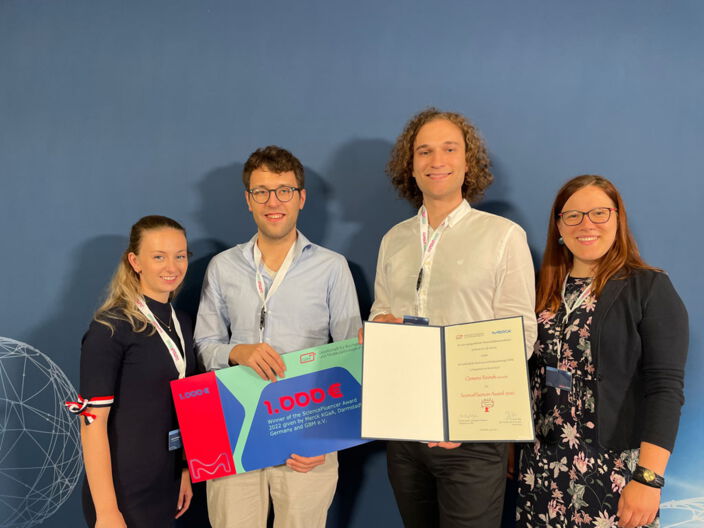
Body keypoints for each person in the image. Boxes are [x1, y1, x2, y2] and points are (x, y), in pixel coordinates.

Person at [368, 108, 537, 528]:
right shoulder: (394, 240)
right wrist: (379, 328)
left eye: (449, 149)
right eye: (424, 151)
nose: (436, 160)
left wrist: (466, 417)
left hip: (474, 435)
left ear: (468, 162)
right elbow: (379, 312)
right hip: (405, 433)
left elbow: (520, 335)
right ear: (411, 165)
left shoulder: (503, 236)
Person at [194, 145, 361, 528]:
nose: (274, 201)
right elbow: (204, 347)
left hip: (305, 432)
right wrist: (237, 352)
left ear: (301, 198)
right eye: (262, 191)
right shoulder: (222, 267)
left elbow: (352, 358)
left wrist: (326, 439)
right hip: (233, 427)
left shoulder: (332, 268)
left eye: (284, 190)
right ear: (248, 200)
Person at [515, 175, 688, 528]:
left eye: (599, 213)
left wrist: (648, 480)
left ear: (617, 219)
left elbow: (665, 389)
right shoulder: (536, 287)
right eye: (573, 216)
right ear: (559, 226)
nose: (586, 224)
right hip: (541, 466)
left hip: (614, 471)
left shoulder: (649, 287)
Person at [66, 215, 195, 527]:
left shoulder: (182, 322)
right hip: (123, 492)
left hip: (165, 483)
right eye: (159, 257)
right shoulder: (110, 328)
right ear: (135, 261)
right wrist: (107, 511)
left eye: (180, 256)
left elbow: (182, 406)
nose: (172, 267)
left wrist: (185, 471)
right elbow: (92, 426)